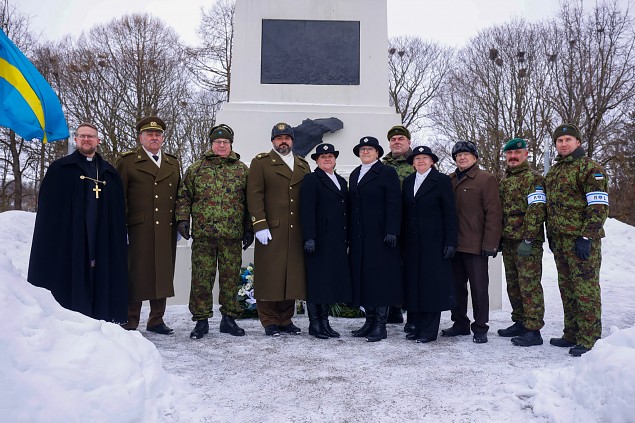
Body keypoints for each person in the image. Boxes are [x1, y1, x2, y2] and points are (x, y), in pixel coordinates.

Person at [28, 122, 128, 322]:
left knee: (100, 269)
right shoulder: (60, 169)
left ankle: (101, 315)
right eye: (82, 136)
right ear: (75, 140)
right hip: (71, 235)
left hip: (101, 233)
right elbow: (49, 213)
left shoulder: (109, 173)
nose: (86, 139)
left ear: (98, 141)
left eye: (90, 136)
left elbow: (117, 212)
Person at [176, 124, 254, 339]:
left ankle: (229, 319)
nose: (222, 145)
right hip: (203, 235)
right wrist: (182, 219)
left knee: (230, 280)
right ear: (211, 144)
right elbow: (184, 197)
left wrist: (249, 229)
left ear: (231, 144)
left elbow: (250, 202)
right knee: (201, 279)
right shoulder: (196, 168)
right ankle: (201, 321)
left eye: (226, 142)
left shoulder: (242, 170)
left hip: (232, 235)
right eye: (218, 142)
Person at [545, 124, 608, 357]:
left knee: (585, 290)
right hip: (560, 241)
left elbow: (598, 206)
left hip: (581, 240)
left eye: (568, 140)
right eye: (559, 141)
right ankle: (571, 332)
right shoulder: (554, 172)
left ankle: (589, 338)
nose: (563, 144)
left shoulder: (590, 169)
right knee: (567, 287)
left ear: (578, 142)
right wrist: (551, 235)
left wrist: (587, 236)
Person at [115, 116, 180, 335]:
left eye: (158, 134)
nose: (154, 137)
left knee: (162, 272)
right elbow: (118, 197)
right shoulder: (127, 161)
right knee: (136, 273)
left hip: (165, 228)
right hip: (137, 228)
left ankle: (156, 320)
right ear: (141, 137)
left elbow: (179, 196)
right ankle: (130, 319)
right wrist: (120, 226)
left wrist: (180, 221)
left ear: (162, 138)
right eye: (150, 134)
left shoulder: (172, 162)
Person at [246, 122, 310, 336]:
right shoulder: (261, 163)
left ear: (292, 140)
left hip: (295, 229)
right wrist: (259, 224)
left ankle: (286, 319)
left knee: (291, 274)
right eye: (279, 138)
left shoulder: (302, 164)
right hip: (271, 228)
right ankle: (269, 320)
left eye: (287, 137)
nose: (283, 141)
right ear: (273, 141)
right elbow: (254, 194)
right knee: (270, 274)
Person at [442, 140, 502, 344]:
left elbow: (494, 213)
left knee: (479, 288)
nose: (462, 157)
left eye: (466, 154)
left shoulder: (485, 180)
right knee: (456, 287)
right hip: (453, 245)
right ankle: (460, 323)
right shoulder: (449, 180)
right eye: (458, 155)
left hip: (476, 246)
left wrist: (490, 244)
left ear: (475, 157)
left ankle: (480, 327)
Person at [349, 136, 403, 342]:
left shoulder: (387, 172)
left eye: (369, 149)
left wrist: (392, 230)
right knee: (364, 279)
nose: (365, 152)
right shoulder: (355, 174)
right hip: (360, 236)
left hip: (381, 236)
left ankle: (381, 325)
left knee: (380, 280)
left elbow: (393, 203)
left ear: (377, 153)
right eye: (362, 149)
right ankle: (369, 321)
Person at [401, 146, 457, 343]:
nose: (421, 161)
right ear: (413, 162)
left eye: (425, 158)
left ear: (432, 161)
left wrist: (451, 241)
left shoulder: (441, 181)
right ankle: (416, 326)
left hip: (435, 243)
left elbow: (450, 213)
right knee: (415, 284)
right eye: (417, 158)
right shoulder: (408, 182)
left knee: (432, 286)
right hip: (412, 243)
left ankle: (429, 330)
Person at [300, 143, 352, 339]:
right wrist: (309, 237)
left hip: (337, 240)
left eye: (330, 156)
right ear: (316, 160)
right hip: (319, 240)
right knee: (317, 283)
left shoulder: (340, 180)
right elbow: (307, 210)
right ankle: (315, 324)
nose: (327, 159)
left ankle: (325, 322)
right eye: (322, 156)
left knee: (329, 282)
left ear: (335, 159)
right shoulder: (311, 180)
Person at [498, 138, 546, 347]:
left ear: (526, 155)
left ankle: (533, 330)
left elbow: (536, 210)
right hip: (508, 240)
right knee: (514, 284)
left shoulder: (534, 179)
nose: (513, 157)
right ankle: (520, 321)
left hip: (527, 242)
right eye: (509, 154)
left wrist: (528, 238)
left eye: (517, 153)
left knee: (529, 285)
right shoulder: (504, 180)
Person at [382, 125, 414, 329]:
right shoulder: (383, 164)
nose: (397, 142)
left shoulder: (418, 162)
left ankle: (413, 314)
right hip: (388, 226)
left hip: (411, 225)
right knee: (389, 268)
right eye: (393, 140)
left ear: (409, 142)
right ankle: (393, 310)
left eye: (401, 139)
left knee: (411, 269)